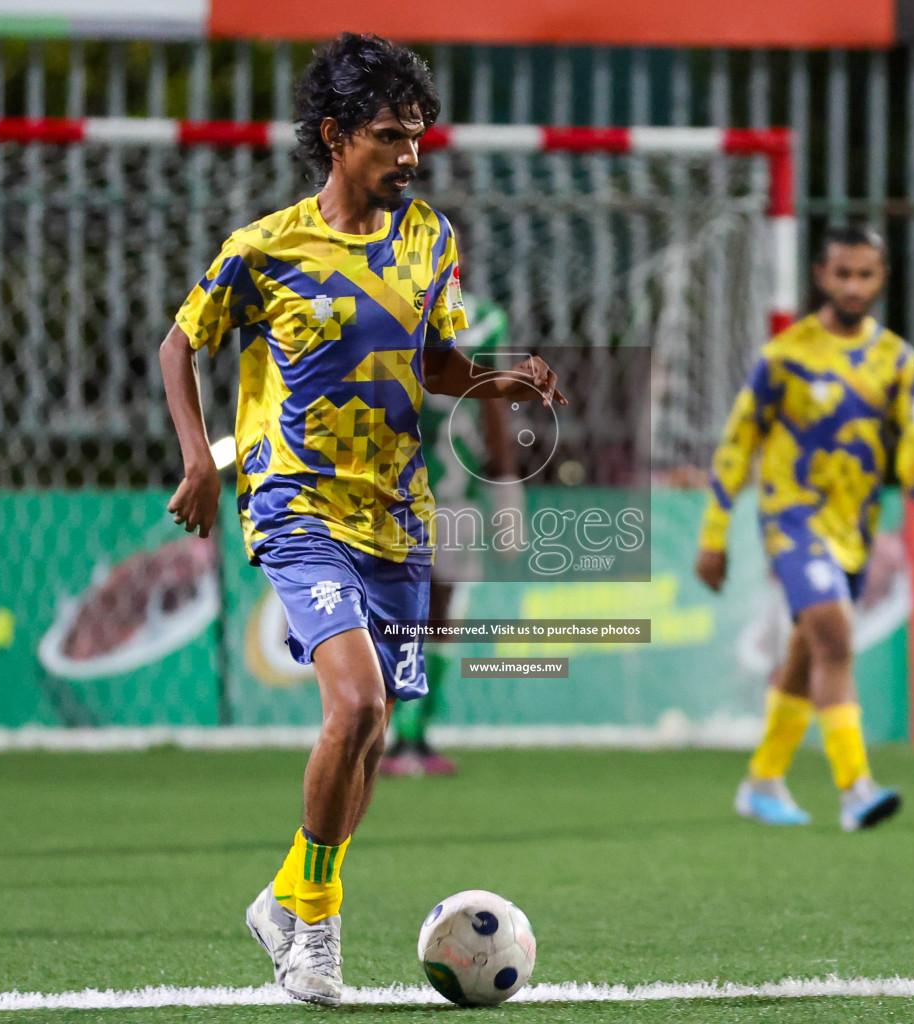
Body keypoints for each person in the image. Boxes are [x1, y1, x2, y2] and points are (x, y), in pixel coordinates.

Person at [157, 34, 564, 1006]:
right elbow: (181, 346)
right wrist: (197, 457)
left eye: (418, 136)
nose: (410, 154)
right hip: (296, 506)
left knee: (375, 733)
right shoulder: (264, 249)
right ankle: (317, 936)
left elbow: (432, 362)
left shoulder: (430, 237)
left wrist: (500, 379)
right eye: (390, 137)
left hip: (398, 515)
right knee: (357, 705)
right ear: (336, 137)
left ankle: (287, 894)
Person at [694, 223, 914, 832]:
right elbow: (738, 445)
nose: (854, 286)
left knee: (808, 655)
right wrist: (714, 534)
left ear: (882, 277)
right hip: (792, 519)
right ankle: (855, 788)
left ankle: (762, 781)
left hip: (855, 528)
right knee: (835, 638)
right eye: (842, 274)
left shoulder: (896, 360)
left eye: (865, 274)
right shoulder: (785, 357)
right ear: (820, 276)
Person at [380, 294, 518, 777]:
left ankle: (413, 735)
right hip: (389, 487)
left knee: (438, 609)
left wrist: (506, 492)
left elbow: (494, 406)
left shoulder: (482, 320)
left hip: (451, 492)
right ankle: (386, 733)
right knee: (396, 610)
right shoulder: (381, 305)